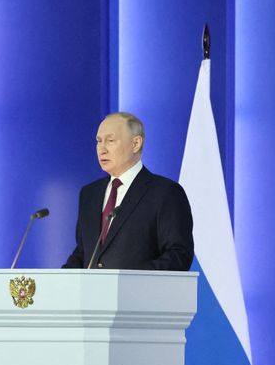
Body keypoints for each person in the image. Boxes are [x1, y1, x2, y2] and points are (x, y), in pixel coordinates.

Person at [63, 112, 193, 271]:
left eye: (110, 140)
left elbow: (178, 256)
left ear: (136, 144)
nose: (102, 149)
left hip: (139, 287)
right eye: (99, 141)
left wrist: (130, 278)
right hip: (94, 288)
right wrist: (58, 279)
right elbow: (83, 253)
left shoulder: (165, 193)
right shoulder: (89, 194)